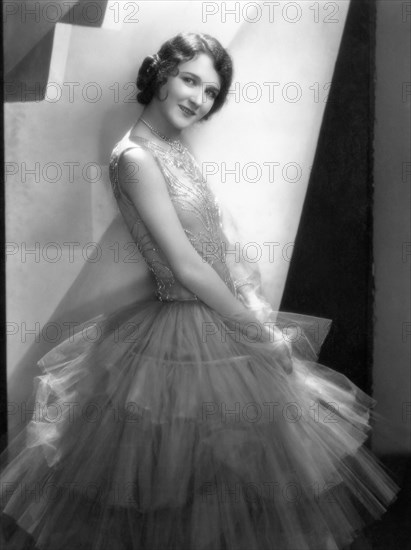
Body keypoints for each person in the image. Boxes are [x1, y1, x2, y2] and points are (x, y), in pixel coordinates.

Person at [0, 32, 399, 550]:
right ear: (161, 75)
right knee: (175, 481)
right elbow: (187, 266)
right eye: (189, 80)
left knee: (235, 476)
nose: (198, 98)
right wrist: (256, 329)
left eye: (210, 91)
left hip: (217, 317)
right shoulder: (136, 158)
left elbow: (214, 241)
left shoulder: (172, 147)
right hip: (182, 325)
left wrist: (250, 304)